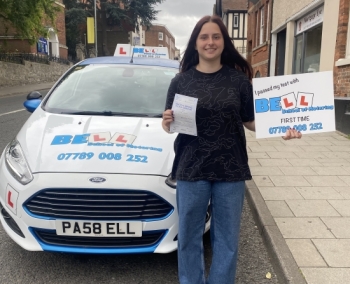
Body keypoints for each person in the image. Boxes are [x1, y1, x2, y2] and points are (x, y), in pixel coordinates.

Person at [162, 15, 301, 284]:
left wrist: (281, 129)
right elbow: (170, 126)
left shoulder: (238, 81)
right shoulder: (180, 82)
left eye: (216, 36)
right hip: (192, 169)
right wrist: (166, 122)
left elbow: (250, 120)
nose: (210, 42)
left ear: (224, 42)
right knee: (189, 238)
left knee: (227, 240)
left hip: (231, 170)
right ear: (195, 43)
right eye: (204, 37)